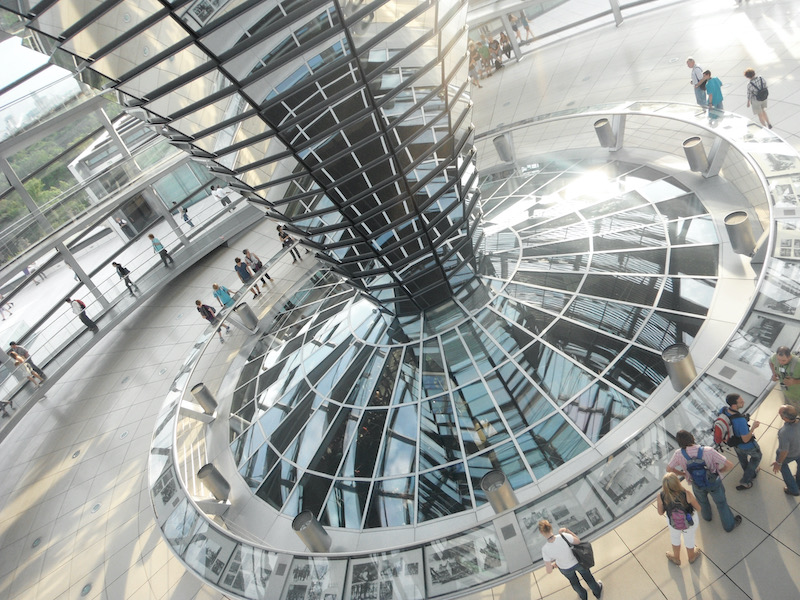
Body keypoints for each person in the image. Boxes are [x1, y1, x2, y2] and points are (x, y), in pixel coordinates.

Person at [667, 430, 741, 531]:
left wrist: (683, 474)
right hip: (713, 482)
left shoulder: (678, 454)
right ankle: (729, 526)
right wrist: (719, 471)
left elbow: (669, 469)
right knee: (721, 503)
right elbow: (729, 465)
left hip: (696, 483)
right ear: (692, 437)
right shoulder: (708, 451)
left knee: (702, 501)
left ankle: (707, 517)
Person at [538, 519, 603, 600]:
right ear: (550, 527)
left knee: (574, 583)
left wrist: (554, 565)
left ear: (541, 532)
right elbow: (578, 541)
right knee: (588, 578)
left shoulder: (545, 549)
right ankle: (597, 592)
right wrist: (567, 531)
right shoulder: (563, 536)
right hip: (578, 562)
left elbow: (549, 570)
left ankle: (583, 596)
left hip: (565, 568)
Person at [656, 472, 702, 565]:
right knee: (689, 538)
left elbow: (660, 513)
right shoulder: (686, 493)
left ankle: (676, 557)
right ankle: (691, 557)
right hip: (689, 521)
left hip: (673, 522)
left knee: (675, 537)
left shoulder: (661, 496)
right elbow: (698, 508)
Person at [720, 394, 761, 490]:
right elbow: (746, 439)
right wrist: (753, 428)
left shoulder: (724, 410)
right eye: (741, 401)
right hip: (748, 446)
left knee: (743, 460)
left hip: (735, 444)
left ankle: (752, 473)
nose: (743, 402)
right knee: (756, 458)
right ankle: (745, 481)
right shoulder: (740, 420)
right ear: (734, 405)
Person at [772, 405, 800, 497]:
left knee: (783, 466)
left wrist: (779, 463)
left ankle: (793, 489)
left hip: (790, 455)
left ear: (785, 418)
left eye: (780, 414)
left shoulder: (784, 432)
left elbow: (784, 451)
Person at [770, 346, 800, 410]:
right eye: (779, 360)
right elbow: (771, 361)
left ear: (789, 357)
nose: (781, 362)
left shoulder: (798, 364)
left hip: (798, 396)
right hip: (786, 393)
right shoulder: (775, 357)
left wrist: (794, 381)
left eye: (783, 360)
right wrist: (774, 373)